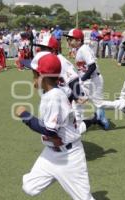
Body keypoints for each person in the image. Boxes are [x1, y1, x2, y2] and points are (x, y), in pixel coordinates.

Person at [15, 53, 96, 199]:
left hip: (70, 157)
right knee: (30, 186)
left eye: (34, 74)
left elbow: (49, 130)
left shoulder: (54, 96)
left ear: (42, 76)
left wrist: (25, 115)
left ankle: (65, 175)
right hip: (51, 153)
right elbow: (70, 92)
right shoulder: (53, 92)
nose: (32, 77)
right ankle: (58, 175)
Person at [64, 29, 125, 119]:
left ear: (79, 40)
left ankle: (121, 104)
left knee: (99, 104)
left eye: (70, 39)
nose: (68, 41)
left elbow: (92, 67)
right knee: (78, 100)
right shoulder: (80, 49)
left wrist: (82, 80)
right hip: (89, 80)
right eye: (68, 39)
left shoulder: (83, 49)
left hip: (93, 81)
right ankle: (77, 122)